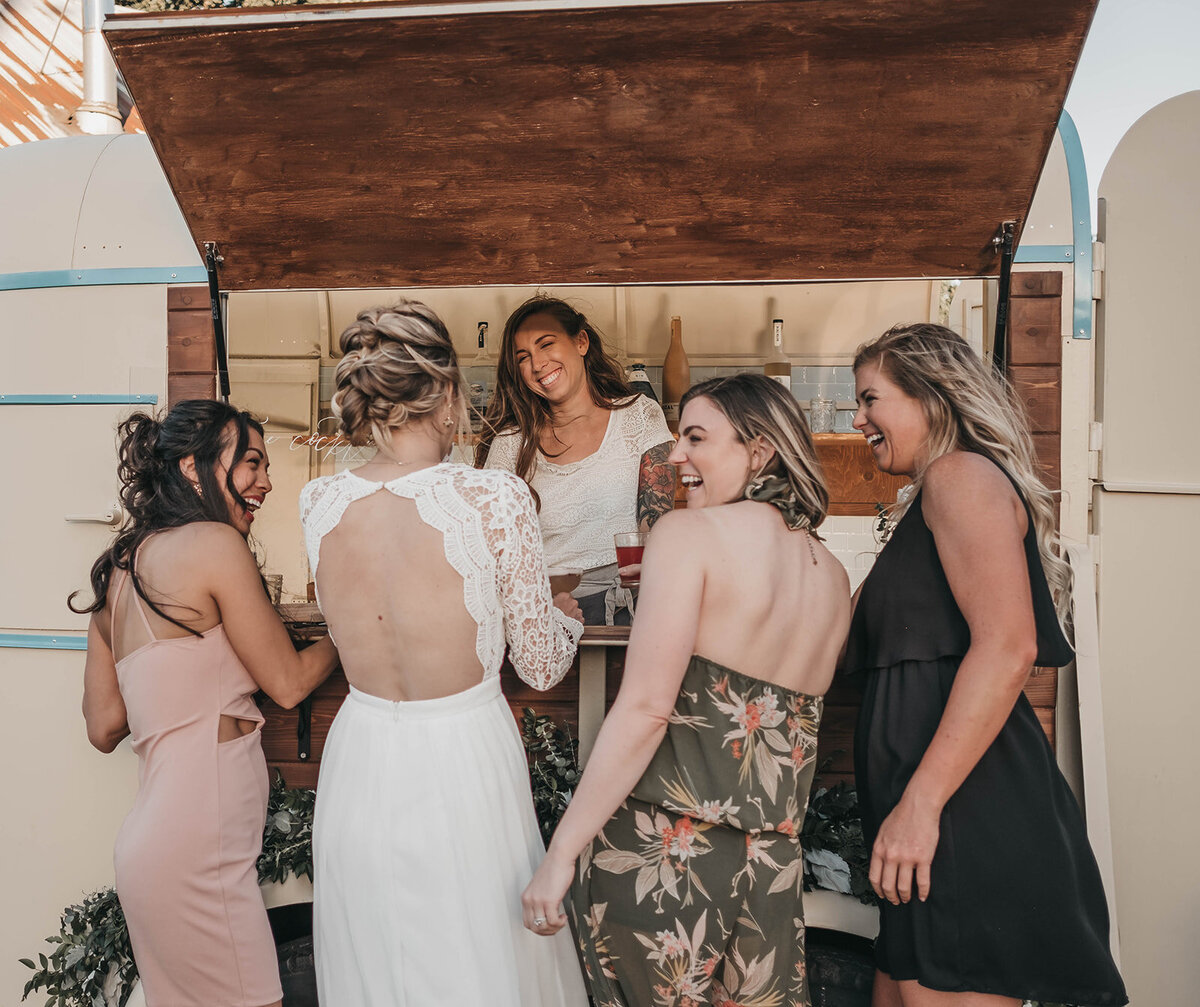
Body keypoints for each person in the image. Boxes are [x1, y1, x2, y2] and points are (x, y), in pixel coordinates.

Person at [522, 373, 851, 1007]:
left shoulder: (684, 536)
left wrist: (561, 852)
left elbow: (647, 709)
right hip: (771, 869)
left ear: (758, 451)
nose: (676, 456)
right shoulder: (831, 573)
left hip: (665, 857)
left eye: (695, 438)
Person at [299, 300, 589, 1006]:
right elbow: (542, 664)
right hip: (461, 754)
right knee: (476, 956)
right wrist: (566, 616)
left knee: (377, 957)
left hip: (361, 753)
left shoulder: (317, 500)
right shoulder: (495, 496)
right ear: (449, 391)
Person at [845, 323, 1127, 1007]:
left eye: (871, 398)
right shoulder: (930, 495)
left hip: (960, 817)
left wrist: (920, 804)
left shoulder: (959, 476)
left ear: (930, 397)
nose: (858, 420)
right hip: (933, 825)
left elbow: (1009, 646)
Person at [75, 400, 340, 1007]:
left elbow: (103, 725)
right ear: (192, 469)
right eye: (250, 462)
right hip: (199, 856)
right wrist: (350, 631)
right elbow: (290, 683)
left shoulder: (116, 571)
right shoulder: (215, 544)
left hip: (149, 848)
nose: (266, 481)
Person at [476, 295, 675, 624]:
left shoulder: (639, 415)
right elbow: (493, 551)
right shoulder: (510, 444)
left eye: (546, 344)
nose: (538, 364)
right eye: (523, 357)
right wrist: (533, 609)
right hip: (542, 616)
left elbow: (656, 527)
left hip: (632, 609)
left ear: (581, 341)